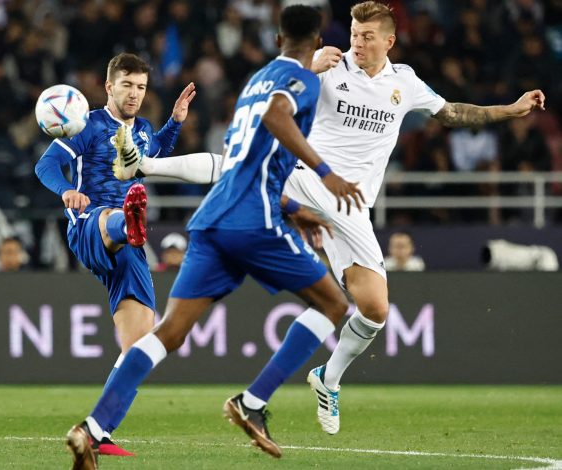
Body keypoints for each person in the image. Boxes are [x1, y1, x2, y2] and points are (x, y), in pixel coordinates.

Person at [123, 0, 546, 437]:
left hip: (351, 207)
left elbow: (455, 113)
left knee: (376, 309)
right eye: (353, 33)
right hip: (307, 176)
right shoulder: (329, 66)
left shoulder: (405, 82)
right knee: (240, 163)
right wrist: (307, 65)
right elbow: (272, 90)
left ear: (389, 41)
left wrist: (509, 111)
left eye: (366, 36)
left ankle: (328, 378)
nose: (356, 43)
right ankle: (146, 166)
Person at [67, 6, 365, 467]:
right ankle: (252, 402)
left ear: (278, 35)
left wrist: (294, 209)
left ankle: (94, 427)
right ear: (317, 37)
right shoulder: (301, 80)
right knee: (334, 305)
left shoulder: (256, 81)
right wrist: (326, 176)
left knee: (168, 332)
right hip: (253, 219)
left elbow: (237, 161)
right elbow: (277, 118)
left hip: (213, 217)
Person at [35, 52, 196, 459]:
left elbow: (154, 153)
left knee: (140, 346)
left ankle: (99, 432)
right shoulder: (86, 124)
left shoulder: (141, 128)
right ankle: (129, 221)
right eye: (126, 85)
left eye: (140, 87)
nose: (134, 94)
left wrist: (174, 122)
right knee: (113, 214)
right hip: (91, 225)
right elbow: (46, 165)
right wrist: (66, 191)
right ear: (109, 86)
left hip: (130, 248)